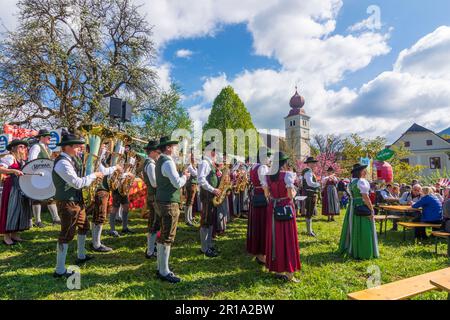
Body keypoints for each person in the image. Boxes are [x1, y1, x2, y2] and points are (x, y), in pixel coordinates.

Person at [52, 134, 104, 278]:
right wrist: (94, 175)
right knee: (66, 235)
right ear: (67, 147)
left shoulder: (70, 160)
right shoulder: (63, 163)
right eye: (76, 146)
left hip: (76, 201)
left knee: (84, 226)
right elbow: (77, 183)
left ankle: (81, 256)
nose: (79, 148)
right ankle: (60, 270)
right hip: (68, 202)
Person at [154, 136, 189, 283]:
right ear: (168, 148)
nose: (176, 149)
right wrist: (185, 176)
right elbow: (177, 183)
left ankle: (160, 267)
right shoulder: (168, 162)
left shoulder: (160, 161)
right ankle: (164, 271)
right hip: (169, 203)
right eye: (174, 146)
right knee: (167, 237)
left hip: (162, 201)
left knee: (163, 235)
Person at [263, 152, 301, 282]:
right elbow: (290, 195)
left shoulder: (267, 177)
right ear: (283, 163)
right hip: (285, 208)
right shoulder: (287, 175)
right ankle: (290, 274)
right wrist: (294, 192)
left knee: (276, 237)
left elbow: (267, 194)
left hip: (273, 209)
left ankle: (278, 269)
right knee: (288, 239)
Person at [338, 163, 379, 260]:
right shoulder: (361, 182)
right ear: (360, 172)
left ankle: (352, 247)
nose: (366, 172)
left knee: (352, 227)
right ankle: (363, 251)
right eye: (364, 170)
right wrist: (371, 209)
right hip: (361, 206)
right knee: (364, 228)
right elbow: (365, 197)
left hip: (352, 207)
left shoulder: (352, 183)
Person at [91, 143, 122, 252]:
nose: (106, 148)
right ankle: (96, 244)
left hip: (104, 190)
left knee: (98, 216)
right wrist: (115, 167)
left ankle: (95, 241)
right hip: (100, 190)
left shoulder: (102, 159)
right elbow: (103, 172)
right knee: (100, 216)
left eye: (105, 146)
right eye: (103, 146)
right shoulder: (95, 158)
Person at [0, 139, 32, 246]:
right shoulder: (10, 157)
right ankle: (6, 237)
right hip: (11, 188)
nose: (23, 149)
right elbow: (0, 169)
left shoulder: (21, 159)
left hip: (20, 187)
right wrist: (13, 171)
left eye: (24, 147)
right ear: (14, 148)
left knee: (20, 210)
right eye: (21, 146)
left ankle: (15, 234)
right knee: (10, 210)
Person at [27, 129, 61, 227]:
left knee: (50, 195)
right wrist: (37, 173)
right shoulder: (36, 147)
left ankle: (56, 218)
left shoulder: (48, 149)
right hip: (37, 176)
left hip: (46, 176)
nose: (50, 138)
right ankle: (37, 221)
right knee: (37, 197)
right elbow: (32, 161)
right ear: (41, 137)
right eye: (47, 136)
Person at [247, 147, 271, 265]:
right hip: (262, 197)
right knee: (262, 224)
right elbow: (265, 184)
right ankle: (261, 254)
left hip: (255, 196)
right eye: (267, 156)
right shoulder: (263, 167)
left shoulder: (253, 166)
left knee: (256, 223)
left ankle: (256, 249)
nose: (269, 158)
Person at [198, 141, 221, 258]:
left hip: (211, 196)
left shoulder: (210, 163)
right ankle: (204, 248)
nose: (216, 153)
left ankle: (209, 244)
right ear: (211, 152)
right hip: (207, 196)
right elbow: (201, 180)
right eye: (215, 151)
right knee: (205, 220)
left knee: (210, 219)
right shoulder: (204, 163)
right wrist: (213, 189)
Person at [109, 146, 135, 236]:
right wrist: (127, 173)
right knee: (115, 208)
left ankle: (124, 228)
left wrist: (129, 175)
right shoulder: (116, 161)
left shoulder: (127, 161)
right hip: (116, 187)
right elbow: (115, 175)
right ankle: (112, 230)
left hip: (124, 188)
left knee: (126, 207)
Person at [142, 140, 160, 259]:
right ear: (152, 152)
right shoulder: (151, 164)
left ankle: (151, 247)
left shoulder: (148, 163)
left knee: (153, 222)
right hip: (154, 196)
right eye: (157, 151)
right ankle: (150, 251)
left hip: (152, 195)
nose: (159, 153)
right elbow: (154, 183)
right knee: (155, 223)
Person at [301, 156, 321, 237]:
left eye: (314, 163)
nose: (314, 164)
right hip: (310, 194)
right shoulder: (308, 172)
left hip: (309, 194)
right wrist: (318, 184)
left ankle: (309, 230)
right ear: (308, 164)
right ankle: (309, 231)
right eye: (312, 163)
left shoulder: (308, 171)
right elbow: (310, 183)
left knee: (309, 212)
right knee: (309, 212)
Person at [184, 151, 198, 227]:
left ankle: (190, 218)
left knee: (191, 202)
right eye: (192, 157)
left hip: (194, 184)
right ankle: (187, 219)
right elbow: (195, 174)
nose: (194, 159)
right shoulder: (189, 165)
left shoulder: (192, 165)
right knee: (189, 201)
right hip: (190, 184)